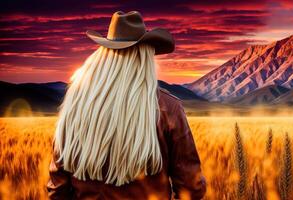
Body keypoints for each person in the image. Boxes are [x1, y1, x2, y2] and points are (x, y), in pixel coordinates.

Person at [47, 11, 206, 199]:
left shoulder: (76, 105)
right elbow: (191, 188)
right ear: (144, 56)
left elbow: (58, 190)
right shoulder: (167, 108)